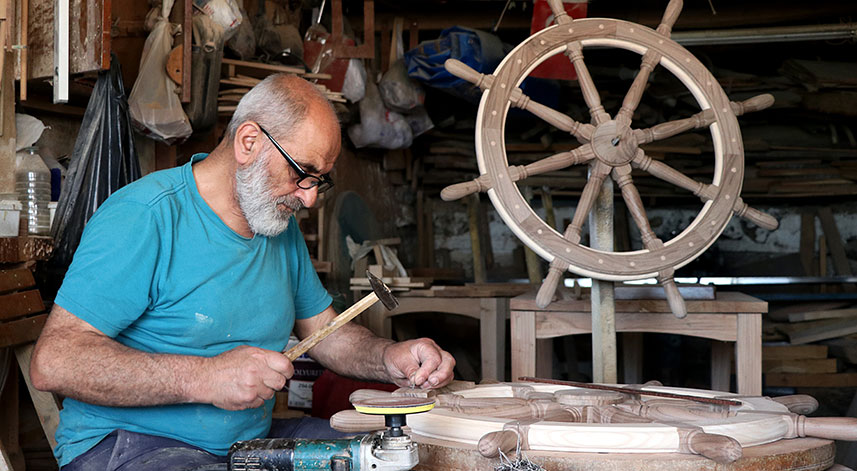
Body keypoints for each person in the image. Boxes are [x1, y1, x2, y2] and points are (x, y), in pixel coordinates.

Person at [29, 74, 456, 470]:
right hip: (128, 447)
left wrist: (388, 359)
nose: (308, 200)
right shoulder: (145, 217)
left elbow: (327, 332)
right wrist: (205, 377)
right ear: (249, 141)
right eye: (301, 174)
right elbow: (55, 363)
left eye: (319, 181)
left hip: (243, 447)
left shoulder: (275, 225)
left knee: (394, 458)